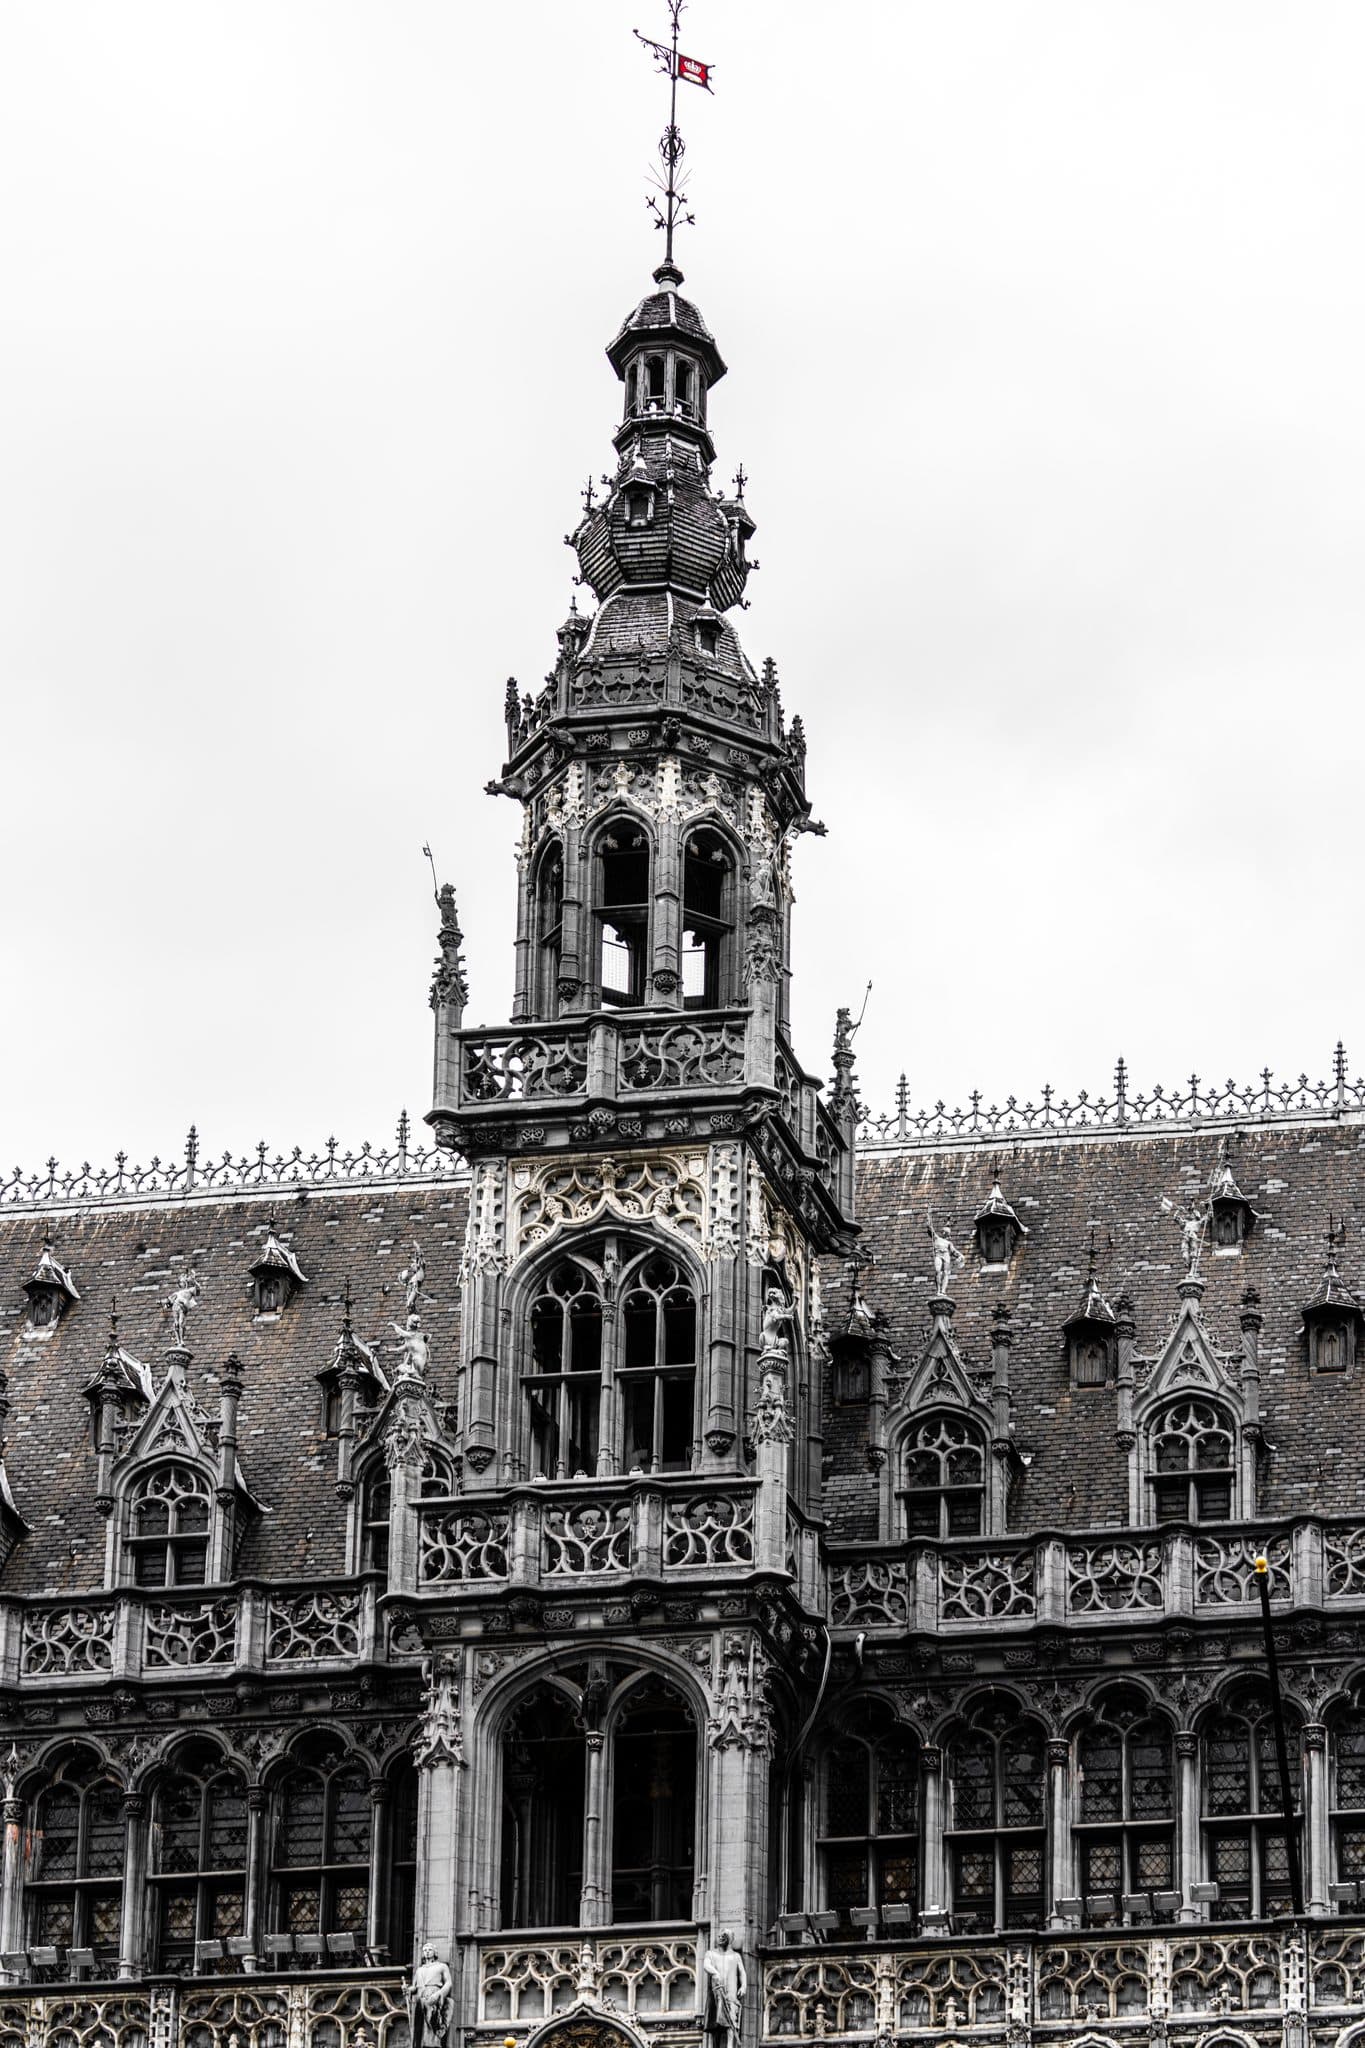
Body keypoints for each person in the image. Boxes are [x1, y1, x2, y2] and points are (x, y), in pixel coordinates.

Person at [704, 1930, 746, 2048]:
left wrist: (743, 1986)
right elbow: (706, 1965)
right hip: (716, 1992)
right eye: (719, 1936)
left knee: (731, 2022)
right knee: (716, 2022)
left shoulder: (735, 1956)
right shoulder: (711, 1954)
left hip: (731, 1994)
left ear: (730, 1939)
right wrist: (715, 1972)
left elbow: (742, 1972)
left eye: (724, 1936)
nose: (721, 1938)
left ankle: (730, 2046)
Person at [406, 1944, 452, 2048]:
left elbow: (448, 1983)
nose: (427, 1952)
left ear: (435, 1952)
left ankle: (434, 2044)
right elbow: (414, 1987)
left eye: (429, 1950)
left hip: (434, 1996)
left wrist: (439, 1994)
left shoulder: (441, 1966)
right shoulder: (419, 1970)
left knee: (433, 2021)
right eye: (425, 1950)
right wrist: (408, 1989)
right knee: (420, 2027)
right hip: (421, 1997)